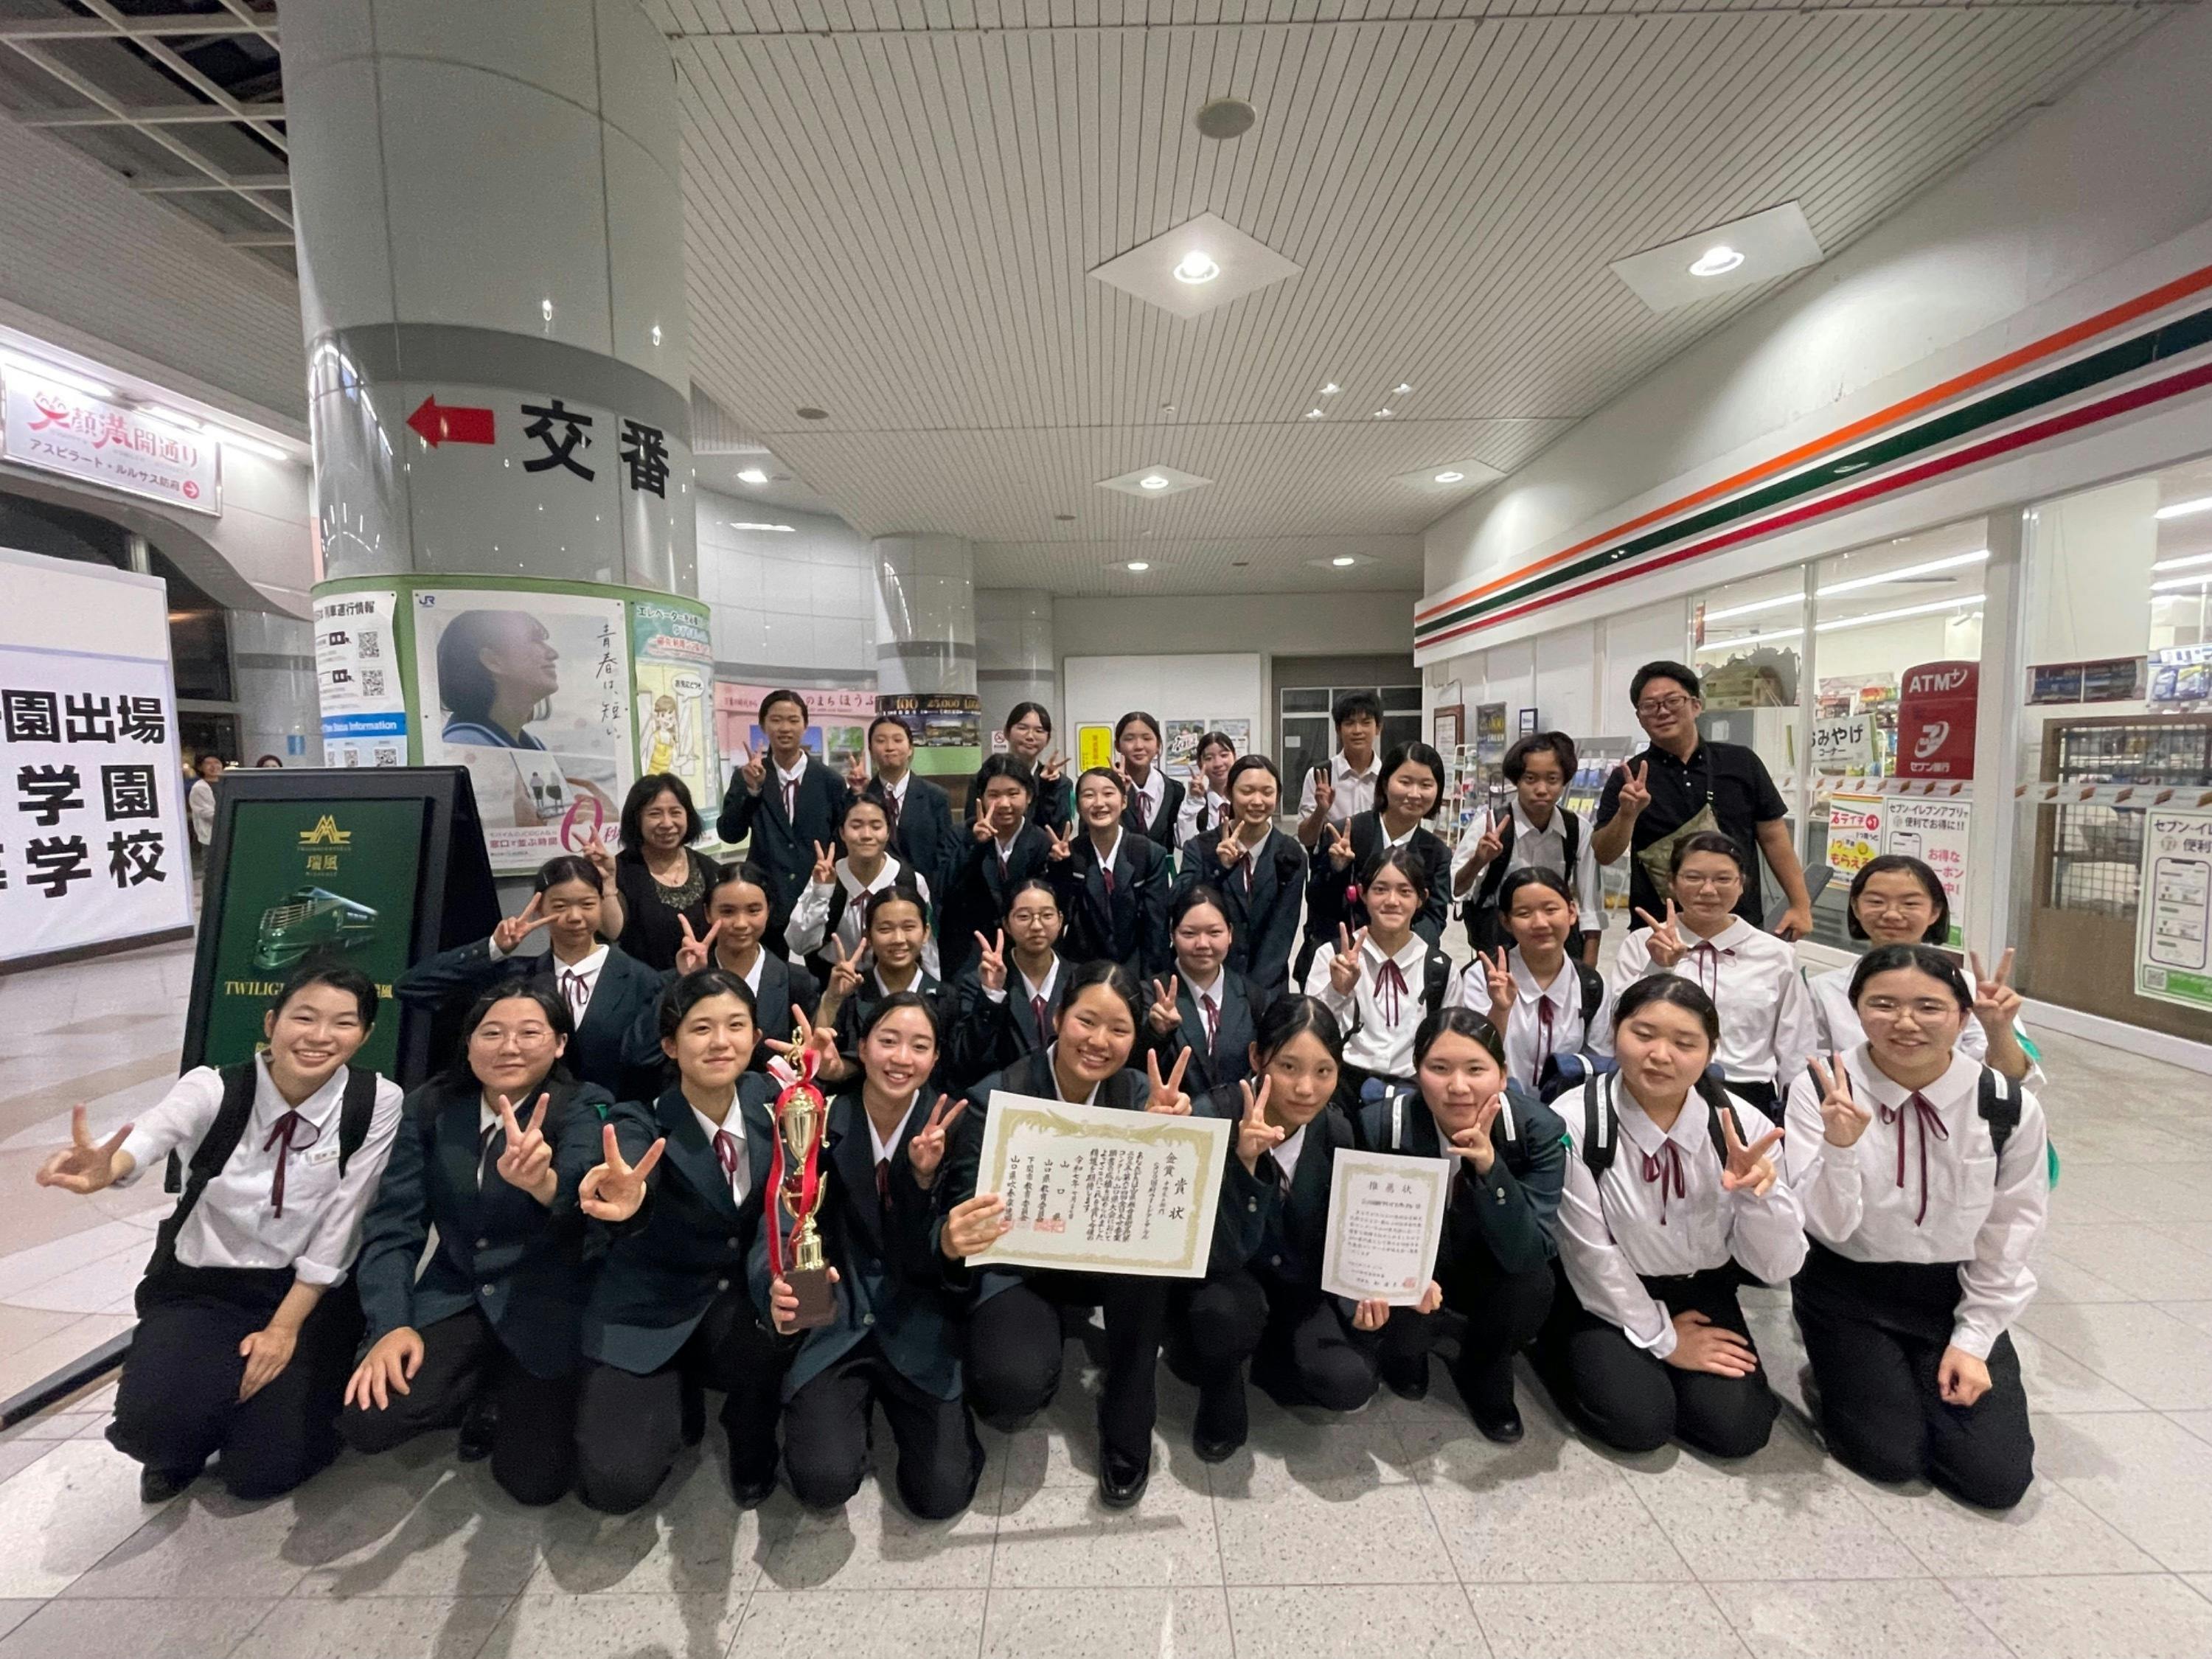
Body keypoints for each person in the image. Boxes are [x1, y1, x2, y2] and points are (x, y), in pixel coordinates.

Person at [36, 964, 402, 1503]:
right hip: (204, 1285)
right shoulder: (214, 1088)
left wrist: (282, 1330)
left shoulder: (375, 1101)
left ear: (365, 1035)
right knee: (153, 1430)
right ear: (272, 1022)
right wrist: (111, 1166)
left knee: (263, 1472)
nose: (320, 1036)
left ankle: (254, 1405)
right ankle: (191, 1416)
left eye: (343, 1023)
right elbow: (154, 1131)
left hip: (306, 1293)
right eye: (304, 1018)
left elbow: (342, 1225)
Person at [1784, 945, 2048, 1510]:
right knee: (1888, 1456)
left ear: (1963, 1014)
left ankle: (1911, 1376)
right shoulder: (1824, 1087)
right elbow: (1824, 1224)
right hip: (1847, 1283)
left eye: (1929, 1007)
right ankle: (1837, 1370)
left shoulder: (2004, 1104)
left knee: (1994, 1479)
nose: (1905, 1023)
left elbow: (2012, 1228)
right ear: (1856, 1009)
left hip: (1951, 1292)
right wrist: (1840, 1148)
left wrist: (1974, 1339)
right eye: (1883, 1005)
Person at [341, 986, 616, 1504]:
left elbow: (583, 1184)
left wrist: (543, 1183)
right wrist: (390, 1324)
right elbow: (395, 1224)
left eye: (529, 1033)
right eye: (491, 1032)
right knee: (371, 1418)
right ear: (468, 1044)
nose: (509, 1046)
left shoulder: (585, 1103)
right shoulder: (431, 1106)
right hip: (459, 1288)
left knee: (534, 1483)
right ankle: (473, 1383)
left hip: (547, 1298)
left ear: (560, 1043)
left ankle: (507, 1386)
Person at [939, 962, 1197, 1506]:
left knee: (1149, 1273)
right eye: (1086, 1021)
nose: (1099, 1041)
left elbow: (1165, 1214)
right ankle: (1042, 1336)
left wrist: (1162, 1139)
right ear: (1058, 1017)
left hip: (1105, 1263)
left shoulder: (1140, 1095)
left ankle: (1128, 1416)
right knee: (1010, 1387)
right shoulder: (998, 1096)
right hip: (1022, 1267)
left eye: (1119, 1029)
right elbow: (963, 1204)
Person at [1543, 976, 1804, 1458]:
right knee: (1638, 1422)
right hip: (1602, 1289)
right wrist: (1665, 1340)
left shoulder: (1743, 1127)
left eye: (1685, 1043)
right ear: (1615, 1031)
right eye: (1643, 1035)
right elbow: (1589, 1253)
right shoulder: (1576, 1120)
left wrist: (1760, 1198)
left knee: (1738, 1430)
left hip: (1701, 1287)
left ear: (1710, 1051)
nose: (1660, 1055)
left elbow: (1777, 1267)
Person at [571, 970, 788, 1512]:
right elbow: (625, 1161)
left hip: (739, 1298)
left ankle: (746, 1418)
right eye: (701, 1028)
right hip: (651, 1305)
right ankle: (676, 1396)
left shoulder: (773, 1102)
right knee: (616, 1483)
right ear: (670, 1044)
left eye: (736, 1026)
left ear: (756, 1036)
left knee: (793, 1320)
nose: (721, 1042)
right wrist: (627, 1195)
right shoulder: (641, 1119)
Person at [765, 994, 985, 1517]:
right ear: (861, 1047)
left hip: (918, 1314)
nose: (902, 1058)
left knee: (940, 1496)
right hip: (837, 1312)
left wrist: (926, 1190)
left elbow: (954, 1250)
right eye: (888, 1041)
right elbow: (788, 1219)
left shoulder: (957, 1125)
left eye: (920, 1046)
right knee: (822, 1481)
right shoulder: (816, 1116)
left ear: (936, 1058)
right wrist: (789, 1295)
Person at [1172, 997, 1390, 1457]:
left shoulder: (1336, 1130)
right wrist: (1245, 1167)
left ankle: (1271, 1356)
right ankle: (1221, 1380)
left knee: (1349, 1382)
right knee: (1221, 1317)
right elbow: (1206, 1251)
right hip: (1224, 1280)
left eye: (1324, 1071)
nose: (1306, 1088)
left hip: (1296, 1285)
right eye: (1289, 1067)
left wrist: (1364, 1293)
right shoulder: (1213, 1117)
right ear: (1257, 1058)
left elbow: (1344, 1232)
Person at [1353, 1007, 1565, 1441]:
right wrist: (1406, 1279)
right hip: (1416, 1265)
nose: (1458, 1086)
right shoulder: (1381, 1126)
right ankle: (1408, 1347)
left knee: (1534, 1284)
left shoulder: (1538, 1130)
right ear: (1417, 1073)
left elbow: (1530, 1250)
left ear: (1502, 1075)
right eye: (1439, 1069)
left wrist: (1490, 1169)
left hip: (1493, 1261)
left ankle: (1484, 1363)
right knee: (1404, 1350)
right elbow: (1361, 1232)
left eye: (1475, 1069)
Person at [400, 853, 661, 1098]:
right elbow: (412, 986)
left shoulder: (643, 980)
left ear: (602, 904)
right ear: (539, 910)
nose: (574, 917)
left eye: (587, 904)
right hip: (521, 1117)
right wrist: (494, 948)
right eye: (560, 906)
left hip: (610, 1119)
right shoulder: (517, 978)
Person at [1591, 661, 1814, 939]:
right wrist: (1627, 814)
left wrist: (1800, 905)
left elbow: (1774, 838)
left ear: (1696, 705)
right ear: (1639, 717)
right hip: (1660, 930)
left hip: (1739, 925)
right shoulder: (1628, 777)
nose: (1662, 711)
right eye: (1650, 706)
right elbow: (1604, 853)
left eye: (1673, 701)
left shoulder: (1741, 762)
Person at [1612, 831, 1816, 1116]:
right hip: (1659, 1087)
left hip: (1746, 1095)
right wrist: (1658, 967)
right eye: (1693, 878)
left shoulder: (1776, 954)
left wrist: (1799, 1113)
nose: (1708, 890)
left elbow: (1796, 1045)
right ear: (1672, 883)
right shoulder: (1642, 944)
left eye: (1723, 879)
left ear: (1741, 884)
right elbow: (1619, 1024)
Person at [1809, 855, 2039, 1082]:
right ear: (1856, 908)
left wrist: (1998, 1030)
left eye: (1910, 904)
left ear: (1935, 911)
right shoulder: (1823, 989)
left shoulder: (1971, 989)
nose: (1891, 914)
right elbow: (1812, 1072)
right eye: (1876, 902)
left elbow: (2012, 1079)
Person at [633, 862, 822, 1082]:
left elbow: (812, 1064)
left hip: (774, 1100)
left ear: (768, 911)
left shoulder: (797, 982)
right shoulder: (677, 979)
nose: (741, 923)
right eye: (728, 912)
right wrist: (686, 980)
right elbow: (641, 1055)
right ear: (708, 913)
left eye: (754, 910)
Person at [1307, 848, 1458, 1099]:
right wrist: (1337, 991)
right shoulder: (1332, 956)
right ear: (1362, 893)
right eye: (1380, 889)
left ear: (1421, 898)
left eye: (1405, 891)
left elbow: (1451, 1043)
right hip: (1342, 1090)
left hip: (1413, 1094)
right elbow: (1310, 1033)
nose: (1392, 901)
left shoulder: (1441, 969)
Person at [717, 689, 854, 952]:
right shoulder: (747, 776)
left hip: (817, 900)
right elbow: (730, 834)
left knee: (820, 973)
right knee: (770, 972)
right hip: (766, 901)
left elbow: (842, 841)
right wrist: (752, 790)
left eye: (793, 720)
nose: (785, 728)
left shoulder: (830, 781)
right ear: (763, 726)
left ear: (805, 725)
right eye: (776, 720)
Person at [1456, 731, 1604, 964]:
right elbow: (1455, 889)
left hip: (1555, 942)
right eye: (1531, 779)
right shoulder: (1490, 825)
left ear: (1564, 781)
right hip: (1498, 940)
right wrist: (1478, 860)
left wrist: (1589, 971)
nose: (1542, 789)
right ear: (1517, 781)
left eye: (1552, 779)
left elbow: (1591, 905)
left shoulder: (1578, 829)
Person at [1466, 869, 1614, 1094]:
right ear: (1506, 921)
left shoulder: (1591, 986)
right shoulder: (1483, 977)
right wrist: (1500, 1010)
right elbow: (1469, 1056)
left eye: (1551, 910)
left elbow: (1598, 1065)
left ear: (1572, 912)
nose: (1540, 923)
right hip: (1498, 1105)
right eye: (1524, 913)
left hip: (1566, 1109)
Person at [1178, 754, 1307, 998]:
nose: (1257, 801)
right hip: (1207, 982)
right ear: (1229, 792)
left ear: (1277, 796)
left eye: (1267, 792)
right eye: (1247, 791)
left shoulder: (1291, 853)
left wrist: (1251, 995)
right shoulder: (1201, 847)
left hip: (1267, 990)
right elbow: (1180, 904)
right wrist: (1218, 866)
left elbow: (1282, 931)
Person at [1307, 740, 1453, 952]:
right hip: (1342, 954)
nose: (1415, 794)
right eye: (1405, 782)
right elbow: (1317, 904)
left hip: (1403, 959)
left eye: (1426, 785)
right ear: (1385, 783)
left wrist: (1399, 951)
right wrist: (1337, 868)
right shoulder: (1347, 833)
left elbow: (1434, 918)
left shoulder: (1438, 853)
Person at [785, 789, 939, 983]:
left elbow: (928, 946)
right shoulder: (826, 877)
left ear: (888, 832)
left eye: (876, 826)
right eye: (856, 826)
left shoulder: (910, 881)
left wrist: (933, 989)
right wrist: (822, 892)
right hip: (834, 980)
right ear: (842, 832)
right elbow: (798, 945)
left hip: (895, 982)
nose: (866, 835)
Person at [1138, 885, 1270, 1098]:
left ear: (1230, 934)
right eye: (1189, 933)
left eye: (1214, 933)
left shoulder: (1254, 997)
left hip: (1235, 1116)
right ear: (1172, 934)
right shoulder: (1149, 995)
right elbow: (1131, 1070)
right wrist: (1156, 1033)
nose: (1202, 944)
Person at [1046, 766, 1171, 977]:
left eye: (1108, 793)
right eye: (1089, 795)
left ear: (1124, 802)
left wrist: (1150, 982)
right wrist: (1059, 867)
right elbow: (1061, 917)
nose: (1099, 803)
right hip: (1083, 971)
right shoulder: (1071, 855)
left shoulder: (1148, 853)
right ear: (1079, 806)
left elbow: (1156, 927)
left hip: (1135, 972)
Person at [945, 877, 1066, 1090]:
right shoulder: (978, 982)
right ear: (1007, 924)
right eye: (1024, 916)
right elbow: (965, 1058)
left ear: (1060, 920)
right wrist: (992, 995)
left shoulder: (1080, 980)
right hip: (1006, 1094)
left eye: (1047, 915)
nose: (1036, 926)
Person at [939, 755, 1051, 982]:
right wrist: (975, 845)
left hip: (1022, 953)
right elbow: (942, 889)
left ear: (1029, 796)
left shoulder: (1041, 842)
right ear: (981, 797)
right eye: (994, 795)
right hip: (967, 954)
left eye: (1013, 793)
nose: (1004, 803)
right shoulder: (960, 836)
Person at [813, 883, 944, 1074]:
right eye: (885, 929)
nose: (899, 939)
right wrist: (832, 999)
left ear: (926, 932)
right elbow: (822, 1057)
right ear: (868, 936)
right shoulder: (851, 994)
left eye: (909, 927)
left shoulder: (945, 998)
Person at [608, 773, 717, 973]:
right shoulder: (618, 872)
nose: (667, 823)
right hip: (644, 985)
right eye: (655, 814)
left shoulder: (709, 869)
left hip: (702, 982)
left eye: (675, 812)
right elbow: (611, 934)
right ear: (637, 819)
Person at [847, 713, 961, 902]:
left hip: (922, 897)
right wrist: (857, 794)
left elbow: (945, 855)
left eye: (898, 740)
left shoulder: (935, 797)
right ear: (871, 750)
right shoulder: (862, 796)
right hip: (874, 898)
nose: (889, 747)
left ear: (910, 749)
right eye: (881, 741)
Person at [435, 610, 559, 749]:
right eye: (534, 640)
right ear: (492, 661)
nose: (553, 654)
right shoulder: (465, 747)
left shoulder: (531, 745)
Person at [1295, 689, 1383, 849]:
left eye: (1366, 722)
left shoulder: (1389, 777)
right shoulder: (1319, 775)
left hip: (1379, 863)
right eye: (1349, 723)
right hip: (1331, 862)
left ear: (1378, 728)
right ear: (1338, 729)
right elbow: (1306, 839)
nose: (1357, 730)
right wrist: (1321, 811)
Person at [969, 701, 1072, 832]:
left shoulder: (1060, 784)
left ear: (1048, 739)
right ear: (1007, 732)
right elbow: (971, 829)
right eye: (1022, 728)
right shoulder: (984, 779)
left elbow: (1061, 832)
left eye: (1039, 731)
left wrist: (1047, 787)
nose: (1030, 736)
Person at [1113, 711, 1185, 851]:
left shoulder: (1175, 791)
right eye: (1129, 739)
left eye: (1147, 738)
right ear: (1118, 745)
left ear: (1158, 745)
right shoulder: (1102, 788)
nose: (1139, 746)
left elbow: (1182, 841)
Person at [1175, 730, 1238, 852]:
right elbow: (1185, 844)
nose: (1218, 764)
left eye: (1224, 755)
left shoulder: (1245, 801)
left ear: (1235, 757)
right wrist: (1193, 801)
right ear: (1200, 764)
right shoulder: (1195, 805)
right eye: (1209, 758)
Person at [187, 751, 222, 860]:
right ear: (200, 767)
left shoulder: (227, 783)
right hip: (211, 837)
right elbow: (206, 814)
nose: (213, 766)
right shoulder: (199, 788)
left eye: (217, 762)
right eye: (208, 763)